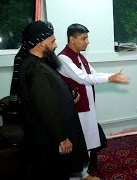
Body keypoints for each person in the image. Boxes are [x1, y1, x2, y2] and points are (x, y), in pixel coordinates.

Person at [9, 20, 89, 180]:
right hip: (49, 138)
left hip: (49, 134)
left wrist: (67, 99)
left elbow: (49, 95)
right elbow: (44, 107)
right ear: (40, 44)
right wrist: (62, 138)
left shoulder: (40, 63)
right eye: (52, 41)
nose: (56, 45)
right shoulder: (36, 69)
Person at [57, 23, 130, 180]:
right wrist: (110, 78)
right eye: (84, 38)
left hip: (87, 108)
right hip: (76, 110)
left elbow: (94, 74)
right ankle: (74, 175)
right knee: (78, 144)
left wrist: (111, 76)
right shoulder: (63, 58)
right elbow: (82, 78)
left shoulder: (80, 57)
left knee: (88, 141)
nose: (87, 41)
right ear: (72, 39)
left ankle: (84, 173)